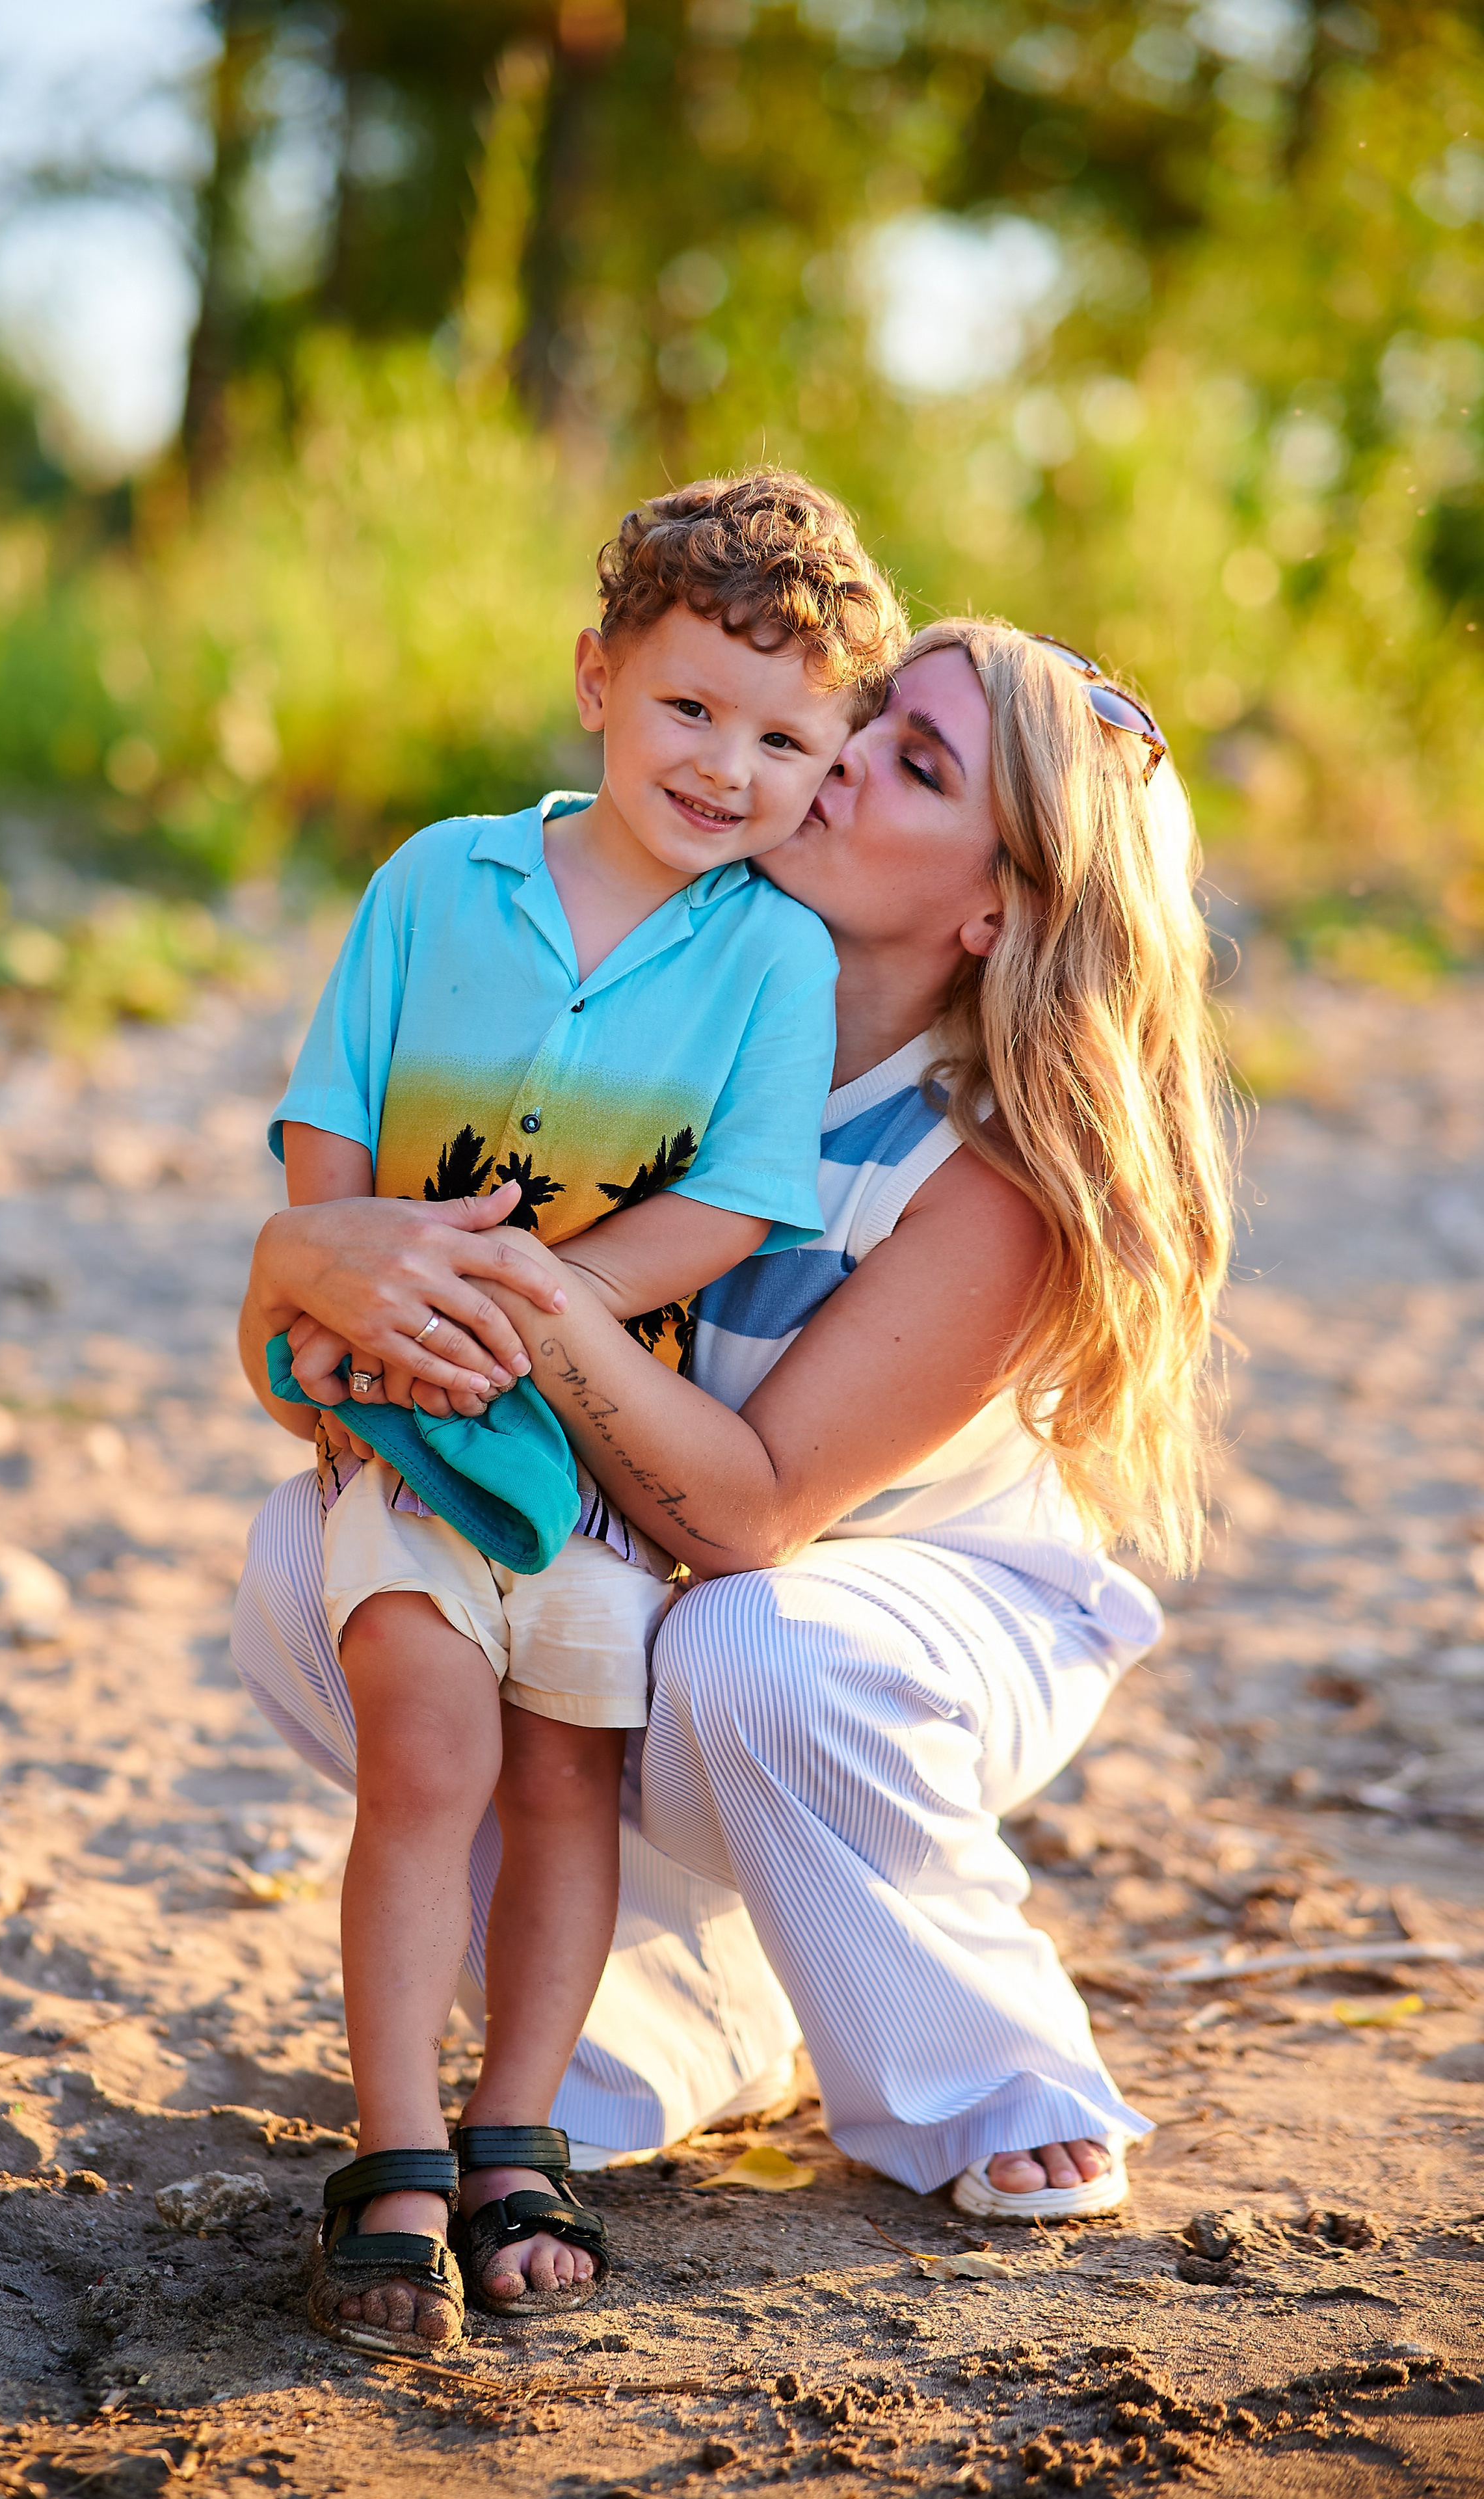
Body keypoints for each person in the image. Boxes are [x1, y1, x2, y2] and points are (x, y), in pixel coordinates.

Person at [234, 613, 1233, 2357]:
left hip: (905, 1615)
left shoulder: (982, 1164)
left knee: (750, 1651)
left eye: (913, 765)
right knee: (315, 1567)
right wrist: (308, 1257)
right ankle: (691, 1997)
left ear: (994, 907)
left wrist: (531, 1293)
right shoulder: (674, 982)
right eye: (868, 719)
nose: (835, 759)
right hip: (655, 1574)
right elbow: (329, 1315)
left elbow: (750, 1512)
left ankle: (981, 2061)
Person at [254, 471, 907, 2356]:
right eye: (692, 705)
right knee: (428, 1751)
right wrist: (355, 1283)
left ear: (828, 764)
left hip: (597, 1459)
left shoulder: (768, 956)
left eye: (787, 739)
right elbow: (327, 1116)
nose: (727, 765)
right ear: (598, 677)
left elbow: (737, 1200)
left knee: (566, 1781)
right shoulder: (437, 879)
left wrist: (551, 1296)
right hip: (409, 1417)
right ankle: (388, 2149)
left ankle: (513, 2131)